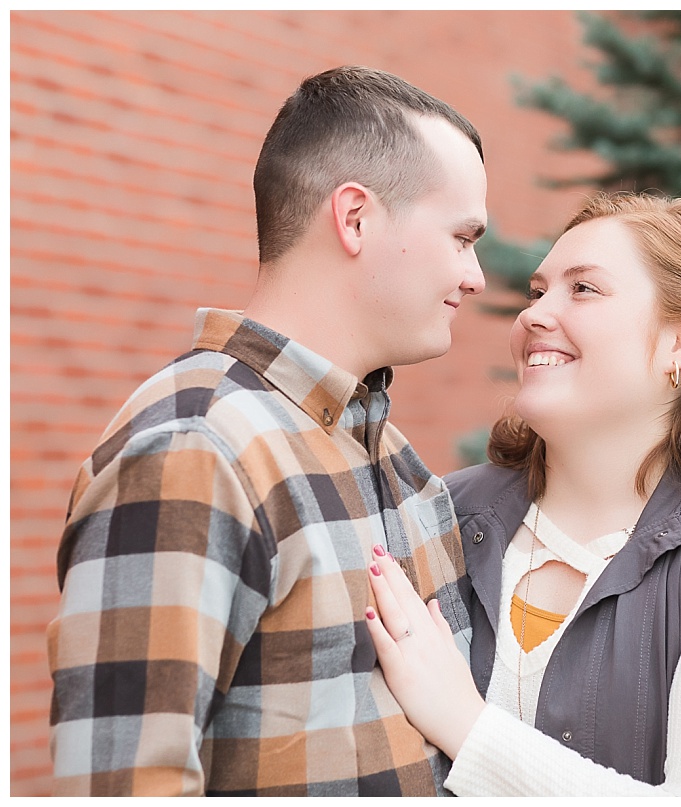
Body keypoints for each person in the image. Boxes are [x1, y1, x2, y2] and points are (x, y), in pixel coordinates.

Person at [46, 65, 488, 796]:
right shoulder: (195, 445)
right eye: (461, 236)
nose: (475, 276)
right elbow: (121, 782)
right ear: (354, 218)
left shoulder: (396, 458)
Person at [364, 192, 681, 795]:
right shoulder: (441, 512)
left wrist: (467, 726)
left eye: (584, 289)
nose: (536, 315)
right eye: (537, 292)